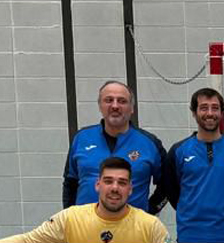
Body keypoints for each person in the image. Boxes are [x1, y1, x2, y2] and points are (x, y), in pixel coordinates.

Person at [0, 157, 177, 243]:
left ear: (131, 189)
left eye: (122, 183)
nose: (115, 188)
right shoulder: (71, 218)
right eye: (108, 181)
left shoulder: (150, 225)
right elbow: (28, 242)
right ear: (97, 185)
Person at [163, 88, 224, 243]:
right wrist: (191, 209)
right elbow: (172, 192)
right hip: (190, 237)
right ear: (194, 112)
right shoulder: (178, 151)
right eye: (204, 108)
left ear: (222, 112)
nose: (210, 113)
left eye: (215, 108)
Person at [63, 80, 167, 214]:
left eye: (122, 101)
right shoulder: (81, 138)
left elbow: (167, 185)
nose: (115, 106)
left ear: (132, 108)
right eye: (109, 100)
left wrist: (150, 211)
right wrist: (69, 217)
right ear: (100, 106)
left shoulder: (150, 143)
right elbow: (70, 183)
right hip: (86, 228)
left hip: (132, 230)